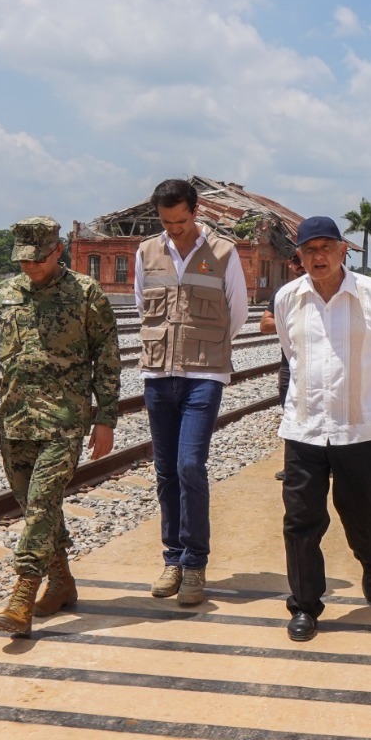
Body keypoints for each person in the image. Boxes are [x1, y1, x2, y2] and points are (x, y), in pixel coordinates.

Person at [0, 217, 120, 639]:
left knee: (44, 501)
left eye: (37, 259)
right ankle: (62, 582)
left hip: (64, 421)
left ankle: (22, 595)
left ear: (57, 251)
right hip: (15, 420)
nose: (29, 267)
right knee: (36, 508)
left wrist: (105, 418)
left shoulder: (86, 294)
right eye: (22, 260)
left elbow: (107, 358)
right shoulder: (4, 294)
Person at [275, 215, 371, 642]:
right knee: (300, 520)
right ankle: (305, 605)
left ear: (343, 249)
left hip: (358, 427)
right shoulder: (288, 298)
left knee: (362, 510)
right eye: (309, 250)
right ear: (300, 255)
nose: (318, 256)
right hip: (305, 426)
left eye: (326, 247)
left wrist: (355, 393)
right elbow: (291, 354)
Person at [135, 178, 249, 607]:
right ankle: (173, 560)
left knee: (189, 465)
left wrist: (208, 348)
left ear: (195, 212)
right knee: (165, 471)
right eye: (167, 222)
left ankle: (195, 563)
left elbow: (236, 311)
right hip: (159, 375)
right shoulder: (147, 251)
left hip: (205, 375)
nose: (175, 229)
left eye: (181, 221)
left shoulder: (224, 252)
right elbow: (141, 305)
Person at [260, 250, 304, 482]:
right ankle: (292, 465)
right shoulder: (283, 293)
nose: (301, 266)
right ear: (290, 264)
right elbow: (265, 324)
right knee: (290, 412)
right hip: (290, 362)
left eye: (303, 260)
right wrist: (295, 320)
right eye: (297, 261)